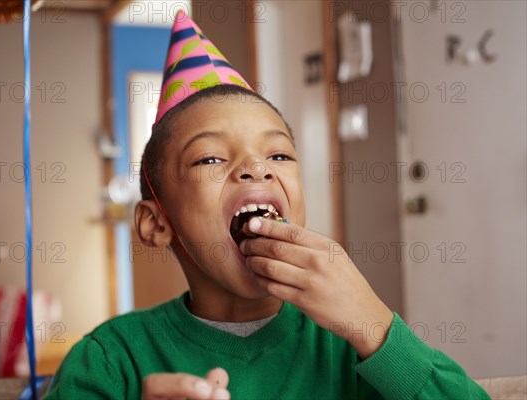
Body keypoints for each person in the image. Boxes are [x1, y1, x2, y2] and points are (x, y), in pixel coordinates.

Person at [44, 11, 490, 400]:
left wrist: (373, 323)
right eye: (210, 158)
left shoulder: (350, 347)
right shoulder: (108, 361)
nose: (256, 168)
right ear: (156, 223)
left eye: (278, 155)